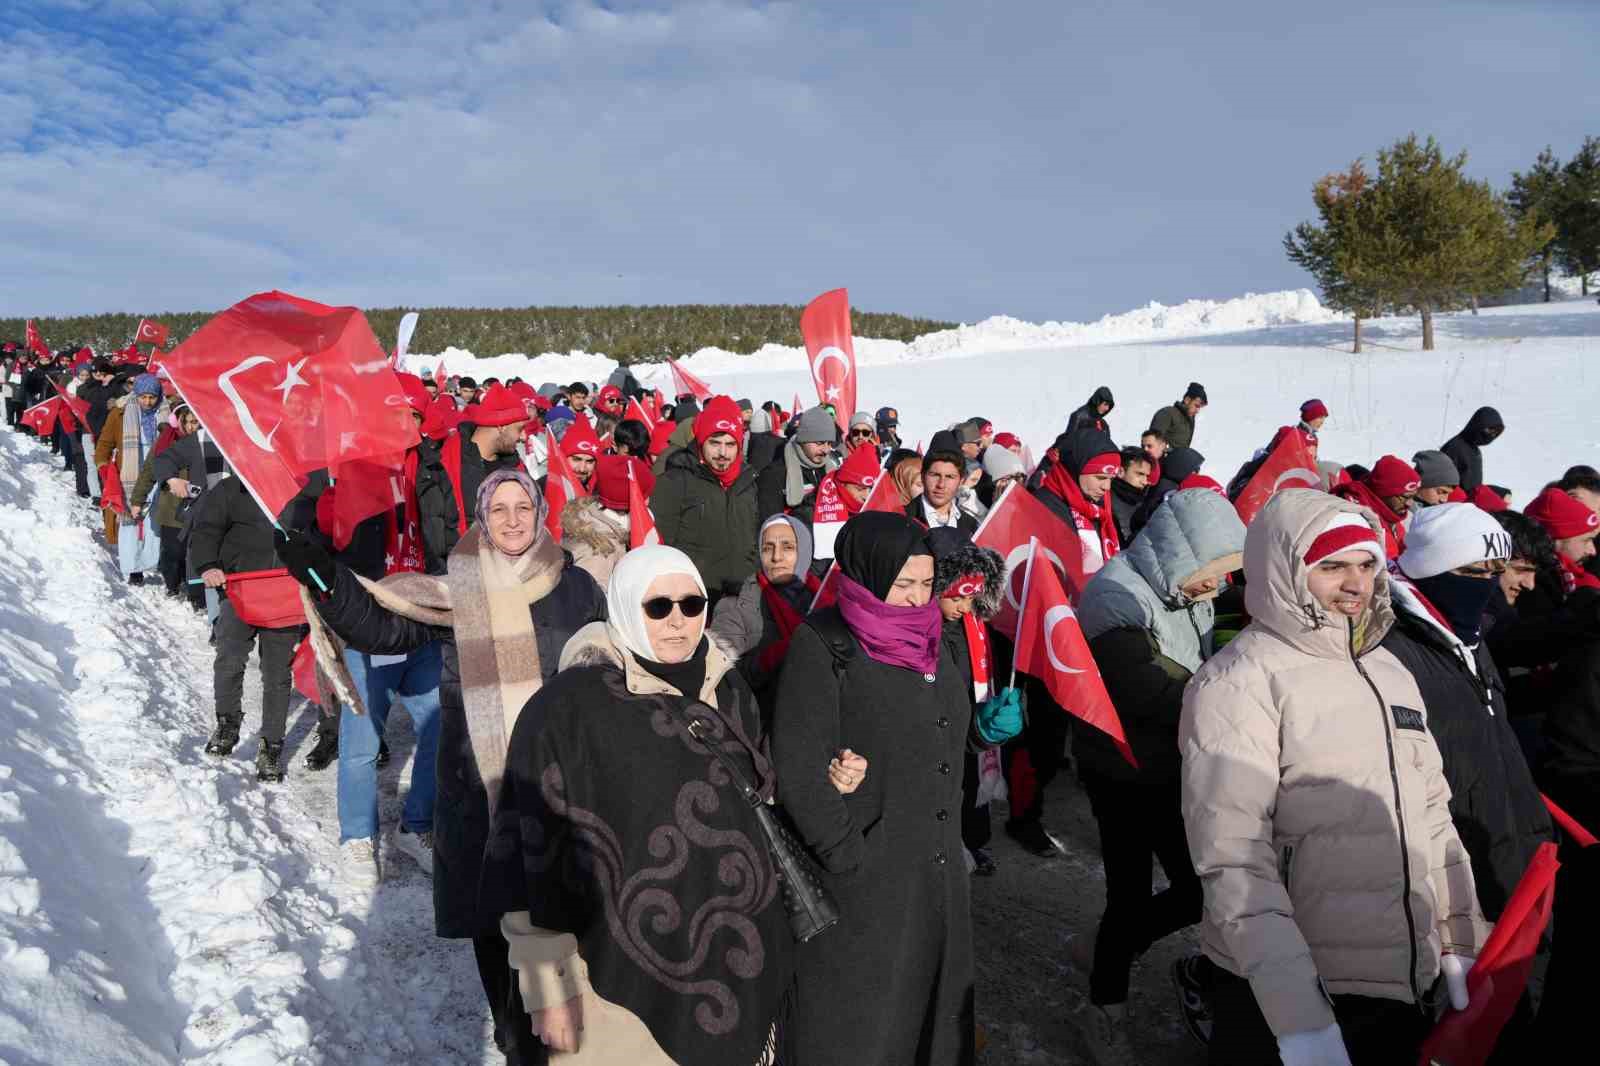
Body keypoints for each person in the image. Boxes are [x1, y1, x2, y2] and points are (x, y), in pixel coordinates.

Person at [282, 468, 605, 1055]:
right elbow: (378, 624)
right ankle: (517, 1046)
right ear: (481, 518)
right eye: (499, 508)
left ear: (540, 513)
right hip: (482, 795)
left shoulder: (577, 586)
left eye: (522, 507)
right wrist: (320, 573)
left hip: (563, 790)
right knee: (504, 963)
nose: (512, 519)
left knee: (570, 947)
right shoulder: (455, 589)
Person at [1180, 490, 1488, 1066]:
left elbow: (1434, 815)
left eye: (1368, 564)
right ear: (1286, 569)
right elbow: (1233, 859)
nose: (1356, 583)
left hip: (1401, 978)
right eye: (1332, 566)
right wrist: (1299, 1019)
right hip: (1290, 989)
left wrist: (1459, 938)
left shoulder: (1390, 668)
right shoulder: (1239, 681)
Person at [478, 545, 792, 1064]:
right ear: (624, 606)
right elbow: (525, 854)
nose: (677, 621)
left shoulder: (730, 690)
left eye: (691, 605)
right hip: (606, 980)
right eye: (657, 606)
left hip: (733, 957)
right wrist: (545, 989)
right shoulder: (568, 708)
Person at [772, 511, 975, 1066]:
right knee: (863, 1024)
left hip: (935, 872)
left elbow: (940, 731)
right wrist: (846, 856)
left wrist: (984, 729)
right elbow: (797, 762)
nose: (917, 599)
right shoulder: (826, 643)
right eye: (902, 584)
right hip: (866, 881)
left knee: (928, 1016)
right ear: (865, 577)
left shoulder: (940, 638)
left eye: (927, 585)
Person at [1073, 487, 1245, 1054]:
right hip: (1120, 771)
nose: (1217, 588)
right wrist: (1235, 700)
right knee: (1129, 894)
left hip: (1172, 764)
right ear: (1181, 554)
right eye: (1213, 574)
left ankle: (1121, 944)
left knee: (1200, 887)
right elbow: (1145, 692)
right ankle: (1104, 1006)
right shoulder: (1113, 600)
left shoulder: (1184, 589)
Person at [186, 475, 306, 782]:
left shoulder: (301, 491)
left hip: (283, 593)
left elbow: (318, 537)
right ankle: (227, 724)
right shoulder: (231, 488)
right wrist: (207, 565)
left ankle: (271, 746)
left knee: (277, 673)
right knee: (229, 658)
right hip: (239, 589)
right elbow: (206, 530)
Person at [926, 528, 1016, 880]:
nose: (965, 607)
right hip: (938, 732)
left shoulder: (972, 620)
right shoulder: (922, 629)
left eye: (972, 597)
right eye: (958, 597)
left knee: (969, 784)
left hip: (968, 721)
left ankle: (972, 840)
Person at [709, 514, 821, 721]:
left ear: (804, 551)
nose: (776, 557)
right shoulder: (734, 605)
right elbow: (723, 677)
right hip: (768, 718)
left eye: (788, 547)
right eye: (768, 548)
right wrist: (776, 655)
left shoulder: (824, 598)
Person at [652, 396, 760, 607]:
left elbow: (753, 539)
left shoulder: (749, 481)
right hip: (694, 601)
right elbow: (660, 546)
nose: (722, 453)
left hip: (742, 599)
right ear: (701, 441)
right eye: (715, 443)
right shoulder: (675, 481)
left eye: (730, 444)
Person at [96, 372, 168, 580]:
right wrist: (105, 470)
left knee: (155, 517)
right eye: (143, 396)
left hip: (158, 470)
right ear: (136, 394)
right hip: (129, 470)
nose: (147, 401)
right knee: (129, 519)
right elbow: (104, 445)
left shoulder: (165, 414)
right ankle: (132, 567)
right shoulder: (119, 413)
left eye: (152, 397)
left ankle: (152, 561)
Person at [1035, 426, 1122, 574]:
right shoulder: (1040, 507)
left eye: (1111, 479)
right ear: (1076, 470)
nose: (1106, 487)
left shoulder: (1100, 507)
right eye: (1100, 477)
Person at [562, 454, 647, 587]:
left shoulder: (613, 530)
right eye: (645, 495)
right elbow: (590, 603)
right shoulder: (600, 553)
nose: (648, 501)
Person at [455, 384, 530, 513]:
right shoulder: (451, 461)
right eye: (520, 429)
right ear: (501, 426)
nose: (524, 437)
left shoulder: (517, 466)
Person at [756, 406, 837, 524]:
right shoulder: (774, 474)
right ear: (803, 439)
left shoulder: (831, 471)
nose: (826, 450)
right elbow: (771, 523)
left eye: (829, 443)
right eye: (819, 443)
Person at [1331, 454, 1420, 559]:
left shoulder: (1390, 514)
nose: (1409, 504)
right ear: (1384, 491)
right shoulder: (1354, 515)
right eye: (1404, 497)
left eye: (1413, 497)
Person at [1130, 445, 1203, 536]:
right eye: (1195, 470)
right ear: (1182, 467)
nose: (1196, 474)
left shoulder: (1168, 484)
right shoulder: (1168, 492)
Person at [911, 445, 979, 533]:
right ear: (923, 477)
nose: (941, 485)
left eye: (950, 477)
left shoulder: (971, 526)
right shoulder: (903, 516)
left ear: (961, 482)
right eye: (935, 475)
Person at [1440, 407, 1504, 494]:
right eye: (1489, 430)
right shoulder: (1454, 447)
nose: (1491, 435)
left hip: (1469, 503)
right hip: (1455, 504)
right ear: (1478, 425)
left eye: (1495, 433)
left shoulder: (1474, 449)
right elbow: (1442, 483)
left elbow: (1473, 486)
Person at [1109, 446, 1152, 546]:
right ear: (1120, 472)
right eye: (1140, 474)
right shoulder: (1104, 498)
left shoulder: (1143, 503)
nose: (1145, 481)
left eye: (1147, 476)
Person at [1147, 382, 1206, 451]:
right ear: (1187, 400)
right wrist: (1171, 452)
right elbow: (1151, 442)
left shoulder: (1189, 421)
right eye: (1196, 406)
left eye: (1200, 408)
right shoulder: (1167, 413)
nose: (1198, 411)